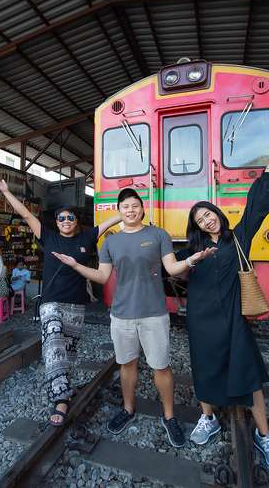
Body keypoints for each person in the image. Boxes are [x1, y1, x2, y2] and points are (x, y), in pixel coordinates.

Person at [52, 188, 217, 448]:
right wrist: (75, 266)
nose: (130, 210)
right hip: (122, 315)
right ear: (119, 212)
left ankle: (169, 416)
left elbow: (172, 268)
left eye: (135, 206)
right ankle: (128, 409)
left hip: (154, 314)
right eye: (125, 207)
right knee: (126, 365)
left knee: (161, 366)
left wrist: (192, 260)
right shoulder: (111, 242)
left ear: (142, 209)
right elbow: (103, 276)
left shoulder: (158, 234)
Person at [178, 139, 269, 470]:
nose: (207, 221)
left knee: (248, 376)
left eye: (209, 214)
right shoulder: (191, 251)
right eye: (201, 219)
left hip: (234, 318)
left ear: (218, 215)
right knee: (203, 369)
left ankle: (265, 435)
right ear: (196, 227)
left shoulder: (239, 237)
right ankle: (208, 418)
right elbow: (168, 267)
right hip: (202, 321)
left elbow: (257, 206)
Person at [0, 173, 121, 426]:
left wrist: (133, 208)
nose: (65, 221)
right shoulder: (48, 236)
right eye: (61, 218)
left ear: (76, 221)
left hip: (76, 305)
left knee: (68, 353)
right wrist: (6, 193)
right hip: (51, 303)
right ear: (56, 221)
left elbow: (111, 221)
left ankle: (64, 388)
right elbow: (26, 215)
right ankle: (60, 399)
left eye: (70, 217)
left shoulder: (87, 237)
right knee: (52, 344)